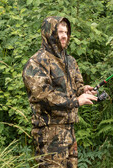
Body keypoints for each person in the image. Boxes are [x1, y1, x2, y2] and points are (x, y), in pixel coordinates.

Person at [22, 16, 98, 167]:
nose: (64, 36)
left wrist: (84, 90)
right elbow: (44, 95)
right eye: (60, 31)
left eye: (66, 32)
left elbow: (75, 87)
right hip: (49, 132)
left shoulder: (70, 61)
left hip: (69, 130)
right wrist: (76, 101)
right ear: (49, 33)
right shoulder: (36, 62)